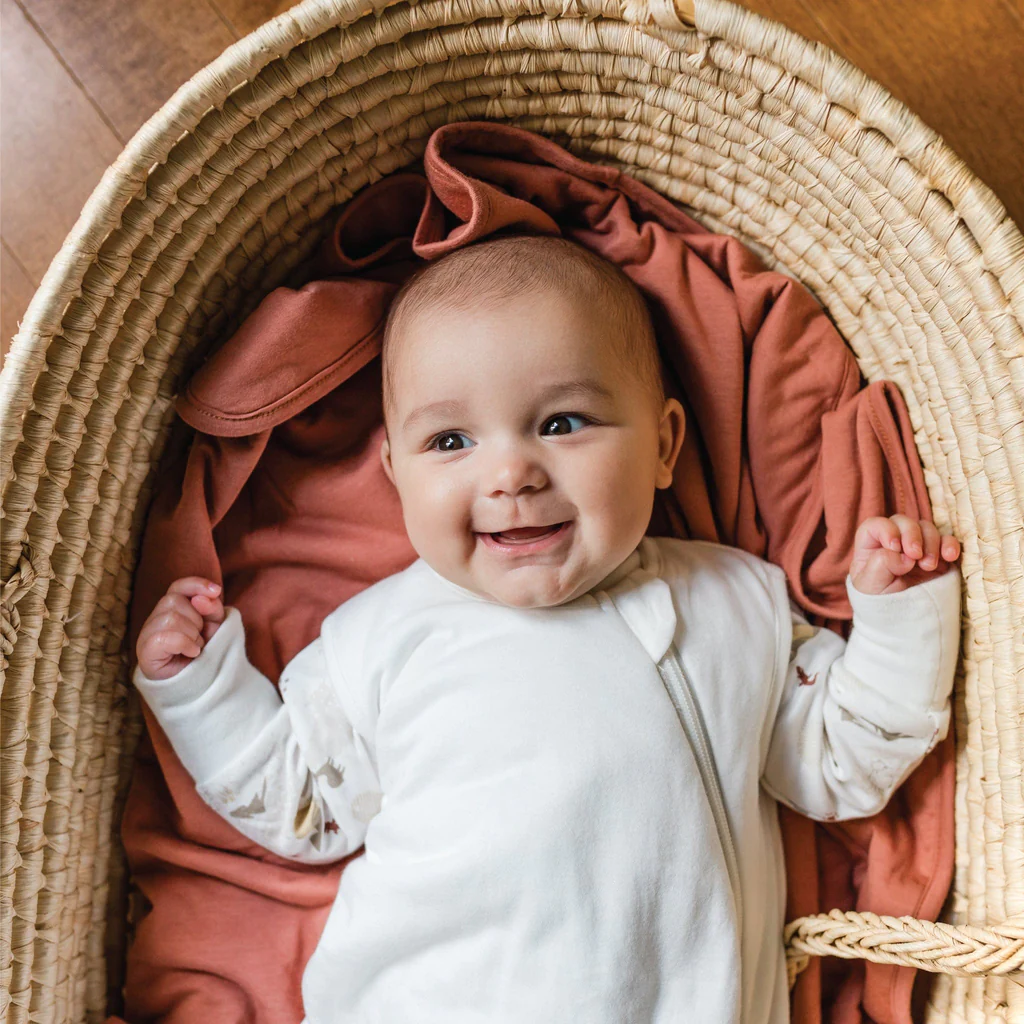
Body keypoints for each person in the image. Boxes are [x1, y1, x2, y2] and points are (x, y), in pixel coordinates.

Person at [133, 235, 962, 1023]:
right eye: (450, 440)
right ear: (396, 476)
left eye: (562, 423)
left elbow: (841, 767)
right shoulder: (382, 635)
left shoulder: (733, 601)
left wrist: (899, 614)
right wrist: (202, 688)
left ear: (665, 445)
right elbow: (303, 807)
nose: (511, 474)